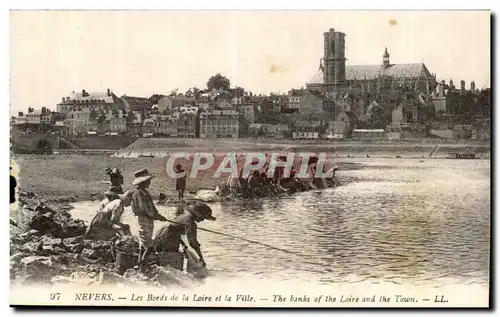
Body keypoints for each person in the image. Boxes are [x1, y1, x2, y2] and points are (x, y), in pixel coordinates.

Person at [152, 202, 216, 271]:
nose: (202, 220)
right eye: (203, 217)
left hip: (161, 234)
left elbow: (174, 229)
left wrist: (183, 244)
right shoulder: (191, 223)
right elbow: (193, 243)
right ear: (197, 215)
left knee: (163, 255)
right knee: (172, 262)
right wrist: (201, 258)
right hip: (170, 239)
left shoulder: (182, 216)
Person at [130, 168, 167, 272]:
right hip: (142, 221)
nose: (149, 182)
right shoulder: (137, 194)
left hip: (148, 222)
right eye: (148, 181)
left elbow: (152, 208)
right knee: (149, 247)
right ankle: (142, 267)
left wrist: (159, 215)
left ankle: (139, 264)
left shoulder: (146, 193)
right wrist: (155, 216)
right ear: (143, 182)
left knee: (143, 246)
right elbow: (143, 209)